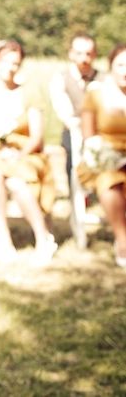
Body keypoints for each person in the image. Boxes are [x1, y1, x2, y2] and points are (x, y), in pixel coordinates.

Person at [0, 40, 58, 264]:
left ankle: (43, 236)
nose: (11, 67)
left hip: (25, 155)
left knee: (16, 182)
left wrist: (18, 153)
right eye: (6, 62)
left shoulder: (29, 92)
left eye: (16, 63)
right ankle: (3, 236)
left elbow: (36, 136)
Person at [78, 43, 126, 268]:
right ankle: (122, 240)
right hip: (104, 158)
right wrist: (106, 155)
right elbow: (89, 136)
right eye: (121, 65)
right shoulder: (97, 94)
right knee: (109, 182)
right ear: (111, 67)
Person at [49, 33, 102, 193]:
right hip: (73, 129)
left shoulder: (104, 79)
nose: (84, 58)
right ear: (71, 54)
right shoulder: (61, 78)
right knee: (71, 154)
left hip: (99, 130)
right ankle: (76, 195)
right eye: (79, 53)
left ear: (94, 54)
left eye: (88, 53)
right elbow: (62, 109)